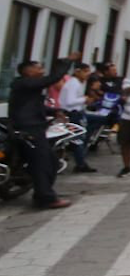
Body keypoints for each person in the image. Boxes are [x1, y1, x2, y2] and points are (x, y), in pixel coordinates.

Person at [9, 53, 81, 208]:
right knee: (42, 164)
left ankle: (42, 193)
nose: (42, 71)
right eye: (39, 68)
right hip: (29, 130)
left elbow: (35, 106)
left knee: (52, 162)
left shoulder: (28, 87)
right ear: (28, 72)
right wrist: (68, 62)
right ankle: (45, 198)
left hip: (36, 128)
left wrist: (54, 112)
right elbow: (52, 79)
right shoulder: (24, 83)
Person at [57, 62, 96, 173]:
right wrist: (85, 99)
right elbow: (70, 101)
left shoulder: (78, 83)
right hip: (72, 114)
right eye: (85, 71)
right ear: (77, 71)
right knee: (78, 140)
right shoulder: (73, 84)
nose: (87, 74)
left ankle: (81, 161)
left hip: (77, 112)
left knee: (80, 139)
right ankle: (80, 163)